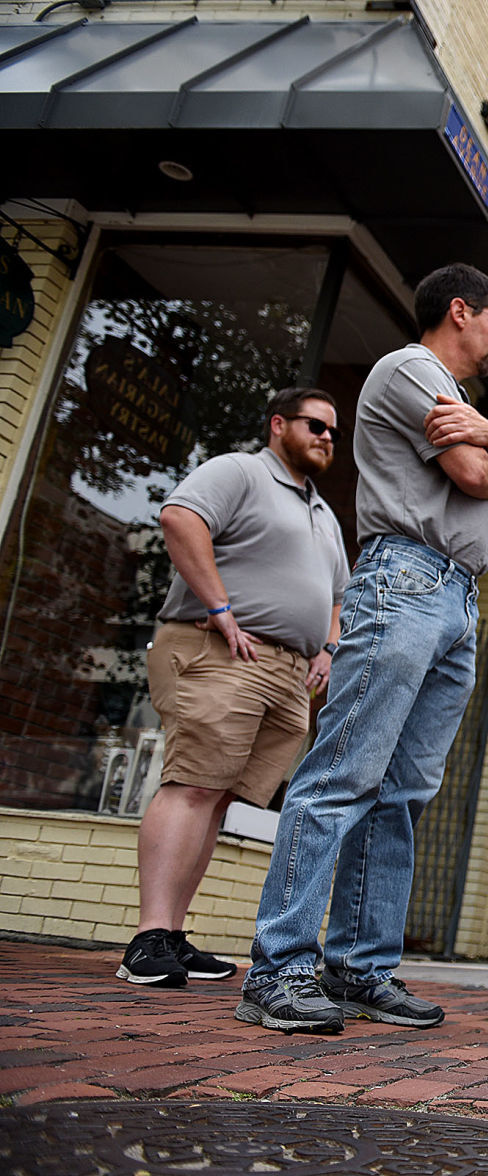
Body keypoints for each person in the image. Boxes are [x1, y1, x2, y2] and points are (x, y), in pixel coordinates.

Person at [237, 262, 488, 1034]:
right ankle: (278, 971)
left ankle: (360, 970)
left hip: (456, 600)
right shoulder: (411, 369)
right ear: (461, 312)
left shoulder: (467, 405)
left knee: (401, 793)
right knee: (341, 774)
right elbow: (476, 480)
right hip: (403, 581)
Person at [115, 388, 348, 989]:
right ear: (278, 424)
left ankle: (171, 933)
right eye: (315, 424)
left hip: (287, 674)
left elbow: (337, 598)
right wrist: (220, 607)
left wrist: (325, 649)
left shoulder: (323, 513)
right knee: (191, 785)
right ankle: (147, 939)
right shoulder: (240, 471)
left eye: (333, 431)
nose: (326, 437)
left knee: (217, 799)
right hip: (219, 651)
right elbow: (179, 517)